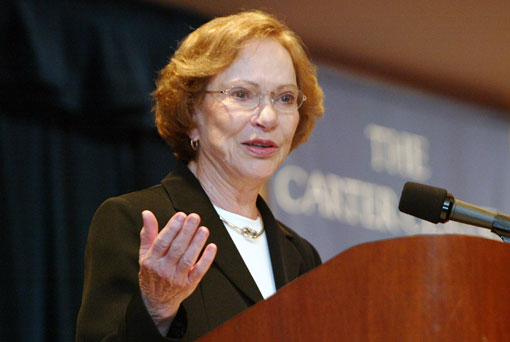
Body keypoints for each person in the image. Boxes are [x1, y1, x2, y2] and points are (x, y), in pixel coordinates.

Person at [76, 10, 324, 342]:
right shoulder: (135, 221)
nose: (267, 117)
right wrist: (156, 309)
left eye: (284, 98)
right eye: (241, 94)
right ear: (192, 113)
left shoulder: (301, 256)